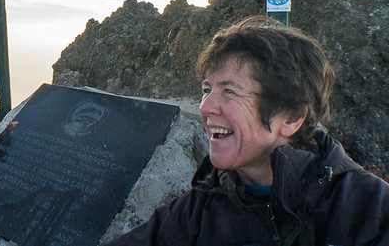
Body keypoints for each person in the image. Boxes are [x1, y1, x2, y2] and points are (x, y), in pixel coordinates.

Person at [107, 16, 389, 246]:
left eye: (229, 91)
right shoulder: (198, 209)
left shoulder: (370, 210)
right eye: (207, 90)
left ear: (291, 117)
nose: (206, 108)